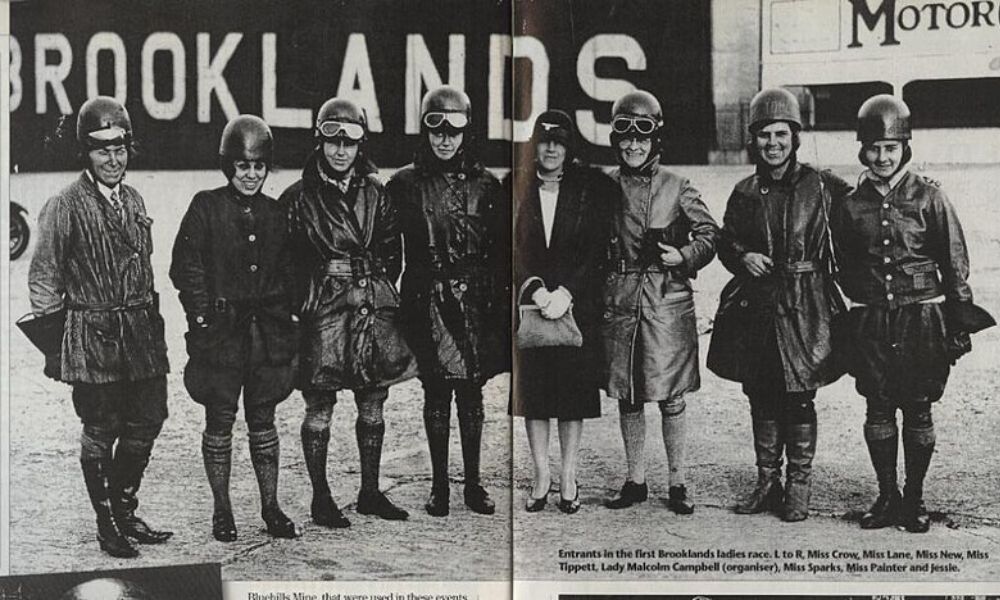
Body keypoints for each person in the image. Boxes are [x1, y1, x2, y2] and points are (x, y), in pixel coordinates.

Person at [832, 94, 993, 533]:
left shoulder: (931, 197)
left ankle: (915, 500)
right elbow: (842, 265)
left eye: (891, 147)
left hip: (922, 320)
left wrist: (958, 324)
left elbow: (954, 261)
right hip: (871, 324)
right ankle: (887, 496)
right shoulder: (848, 204)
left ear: (906, 147)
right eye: (874, 148)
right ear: (861, 149)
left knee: (918, 409)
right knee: (878, 409)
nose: (883, 157)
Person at [28, 96, 172, 558]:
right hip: (93, 339)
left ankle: (126, 510)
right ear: (85, 154)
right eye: (101, 150)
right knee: (100, 427)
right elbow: (44, 281)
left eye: (120, 148)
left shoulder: (134, 199)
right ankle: (107, 523)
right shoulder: (65, 205)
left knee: (147, 420)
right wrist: (57, 350)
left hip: (141, 335)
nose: (113, 159)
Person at [707, 88, 852, 521]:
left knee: (800, 397)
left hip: (806, 308)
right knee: (761, 396)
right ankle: (767, 482)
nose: (773, 143)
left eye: (781, 134)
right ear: (755, 140)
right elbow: (726, 240)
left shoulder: (823, 185)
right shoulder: (744, 190)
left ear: (795, 137)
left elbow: (864, 207)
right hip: (757, 311)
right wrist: (742, 257)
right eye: (765, 135)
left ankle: (799, 488)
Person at [280, 98, 418, 526]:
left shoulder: (378, 193)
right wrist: (307, 301)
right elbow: (286, 263)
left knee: (374, 401)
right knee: (319, 404)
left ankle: (371, 491)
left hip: (371, 305)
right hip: (324, 308)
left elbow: (393, 252)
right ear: (319, 141)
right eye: (332, 141)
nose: (341, 151)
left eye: (350, 142)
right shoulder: (298, 197)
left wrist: (376, 287)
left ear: (361, 144)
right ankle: (322, 498)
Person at [170, 114, 300, 541]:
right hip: (221, 337)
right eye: (243, 166)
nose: (251, 175)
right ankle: (222, 511)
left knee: (263, 421)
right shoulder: (206, 206)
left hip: (265, 338)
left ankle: (270, 507)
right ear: (229, 167)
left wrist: (287, 309)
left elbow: (290, 268)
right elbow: (185, 267)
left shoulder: (276, 212)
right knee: (219, 421)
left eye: (259, 166)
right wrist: (202, 313)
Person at [387, 85, 509, 517]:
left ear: (466, 132)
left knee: (472, 396)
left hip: (475, 300)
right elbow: (388, 252)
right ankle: (440, 486)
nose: (445, 139)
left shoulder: (487, 184)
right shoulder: (403, 184)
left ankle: (473, 484)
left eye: (454, 130)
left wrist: (497, 306)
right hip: (426, 298)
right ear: (424, 131)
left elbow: (500, 252)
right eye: (436, 129)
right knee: (436, 394)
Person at [600, 90, 719, 514]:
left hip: (666, 303)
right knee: (628, 395)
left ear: (656, 140)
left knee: (672, 396)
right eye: (626, 137)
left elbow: (709, 235)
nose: (634, 145)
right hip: (619, 301)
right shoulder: (603, 186)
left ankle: (678, 481)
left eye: (643, 138)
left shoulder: (678, 186)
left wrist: (683, 256)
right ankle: (635, 480)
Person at [510, 110, 616, 514]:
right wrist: (534, 289)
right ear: (533, 145)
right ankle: (541, 476)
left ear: (569, 148)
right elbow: (510, 248)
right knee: (534, 396)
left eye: (559, 141)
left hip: (575, 307)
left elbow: (597, 248)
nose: (551, 148)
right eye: (544, 140)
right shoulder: (515, 187)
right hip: (531, 308)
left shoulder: (591, 190)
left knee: (573, 395)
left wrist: (569, 291)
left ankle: (569, 475)